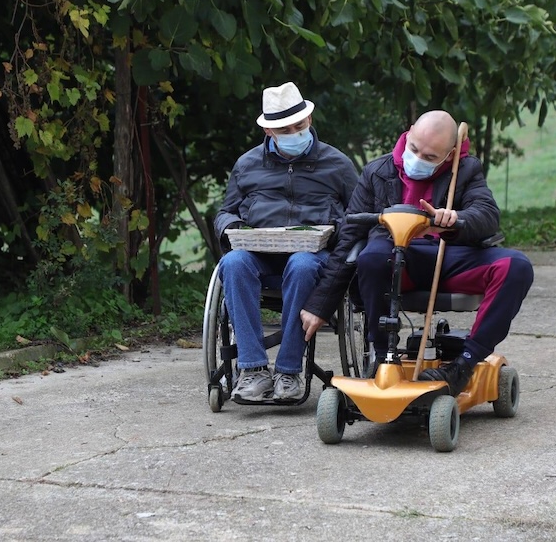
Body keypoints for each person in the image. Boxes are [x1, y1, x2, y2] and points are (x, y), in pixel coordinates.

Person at [300, 110, 534, 395]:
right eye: (414, 149)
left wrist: (456, 219)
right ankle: (383, 356)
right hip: (397, 259)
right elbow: (349, 239)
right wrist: (319, 305)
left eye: (431, 157)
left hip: (449, 256)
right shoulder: (376, 172)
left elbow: (486, 215)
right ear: (409, 132)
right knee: (370, 256)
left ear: (450, 155)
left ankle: (464, 363)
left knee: (517, 266)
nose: (418, 159)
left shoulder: (466, 169)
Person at [214, 82, 359, 402]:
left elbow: (358, 216)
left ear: (310, 120)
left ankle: (289, 370)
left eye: (300, 125)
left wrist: (332, 230)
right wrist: (235, 228)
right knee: (233, 262)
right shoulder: (247, 165)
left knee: (303, 263)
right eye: (284, 128)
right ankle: (252, 369)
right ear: (268, 130)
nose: (295, 132)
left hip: (313, 259)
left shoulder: (338, 164)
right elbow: (225, 212)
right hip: (260, 256)